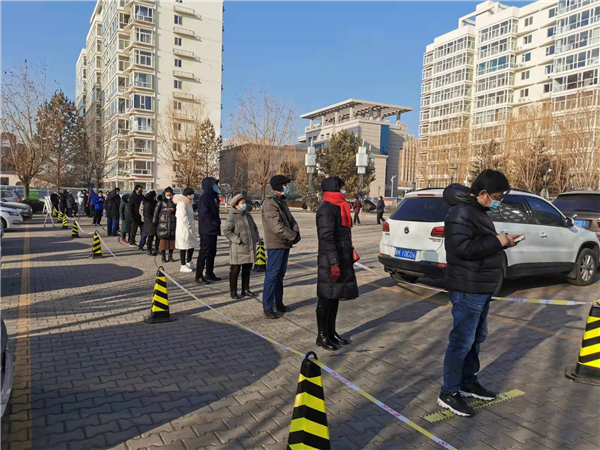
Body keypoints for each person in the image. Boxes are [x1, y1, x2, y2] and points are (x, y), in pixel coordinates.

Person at [437, 170, 520, 417]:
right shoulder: (461, 212)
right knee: (462, 341)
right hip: (467, 287)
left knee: (476, 338)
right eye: (497, 197)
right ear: (483, 193)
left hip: (480, 286)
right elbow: (462, 247)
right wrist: (498, 242)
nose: (498, 202)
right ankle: (449, 392)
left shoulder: (477, 210)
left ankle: (467, 382)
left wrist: (504, 241)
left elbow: (479, 244)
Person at [315, 176, 359, 351]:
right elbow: (326, 238)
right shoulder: (326, 209)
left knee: (335, 296)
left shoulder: (340, 206)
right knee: (326, 297)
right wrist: (333, 262)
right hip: (330, 260)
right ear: (334, 189)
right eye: (341, 187)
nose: (344, 191)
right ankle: (322, 335)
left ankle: (332, 332)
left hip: (341, 258)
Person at [260, 175, 300, 319]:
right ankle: (267, 306)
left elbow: (291, 220)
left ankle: (279, 303)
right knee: (272, 275)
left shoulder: (281, 201)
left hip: (284, 243)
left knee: (279, 276)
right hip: (276, 244)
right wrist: (292, 235)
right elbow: (277, 227)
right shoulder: (270, 203)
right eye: (285, 185)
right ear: (279, 186)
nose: (287, 188)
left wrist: (296, 233)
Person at [224, 194, 260, 299]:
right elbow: (227, 231)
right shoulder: (232, 216)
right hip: (238, 247)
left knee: (247, 269)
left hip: (249, 247)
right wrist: (237, 240)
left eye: (244, 203)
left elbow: (254, 227)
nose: (244, 205)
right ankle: (233, 291)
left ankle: (245, 289)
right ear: (236, 205)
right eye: (242, 203)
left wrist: (256, 236)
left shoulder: (247, 215)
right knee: (235, 271)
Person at [195, 177, 222, 284]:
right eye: (214, 184)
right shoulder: (204, 197)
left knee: (212, 252)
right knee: (204, 252)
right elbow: (204, 214)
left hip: (213, 229)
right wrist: (214, 222)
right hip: (206, 229)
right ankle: (199, 275)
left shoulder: (213, 196)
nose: (216, 186)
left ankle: (209, 273)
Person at [175, 188, 199, 273]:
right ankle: (183, 265)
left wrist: (195, 216)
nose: (192, 196)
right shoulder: (181, 203)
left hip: (190, 228)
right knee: (184, 247)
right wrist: (188, 226)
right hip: (184, 229)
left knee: (191, 245)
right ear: (187, 194)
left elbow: (190, 214)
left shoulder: (188, 203)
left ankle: (189, 262)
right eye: (191, 194)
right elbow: (183, 216)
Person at [154, 187, 176, 263]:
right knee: (163, 241)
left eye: (170, 194)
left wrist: (174, 209)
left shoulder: (174, 201)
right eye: (167, 194)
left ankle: (170, 256)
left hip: (172, 223)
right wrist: (154, 222)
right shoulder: (161, 201)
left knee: (172, 242)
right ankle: (163, 256)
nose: (169, 196)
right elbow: (156, 212)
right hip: (163, 223)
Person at [142, 190, 158, 256]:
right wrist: (153, 220)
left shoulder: (154, 203)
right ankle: (149, 249)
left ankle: (156, 249)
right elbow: (147, 214)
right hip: (150, 223)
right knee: (150, 237)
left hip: (154, 222)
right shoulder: (148, 204)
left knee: (157, 237)